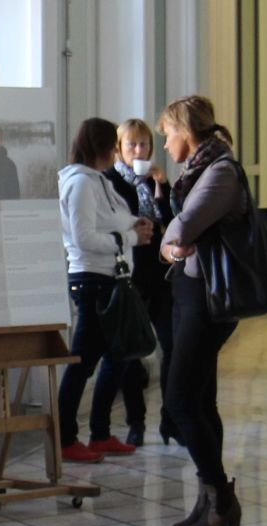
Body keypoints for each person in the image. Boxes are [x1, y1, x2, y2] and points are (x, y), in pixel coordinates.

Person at [158, 95, 245, 526]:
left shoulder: (220, 171)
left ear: (187, 132)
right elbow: (174, 238)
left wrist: (170, 244)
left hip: (208, 300)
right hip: (191, 291)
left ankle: (222, 500)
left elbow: (181, 228)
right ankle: (209, 501)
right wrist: (172, 246)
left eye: (168, 134)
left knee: (178, 399)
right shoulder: (198, 170)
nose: (164, 144)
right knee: (200, 399)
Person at [57, 117, 154, 463]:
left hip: (109, 278)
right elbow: (83, 237)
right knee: (83, 362)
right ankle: (65, 437)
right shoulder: (81, 183)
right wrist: (130, 237)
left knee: (117, 357)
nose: (117, 153)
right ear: (101, 148)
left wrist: (134, 224)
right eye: (113, 146)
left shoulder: (96, 180)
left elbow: (111, 218)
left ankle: (100, 433)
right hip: (92, 280)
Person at [103, 119, 181, 447]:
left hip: (160, 274)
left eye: (144, 144)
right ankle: (135, 421)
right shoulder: (110, 182)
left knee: (172, 346)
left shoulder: (154, 179)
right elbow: (119, 222)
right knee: (131, 352)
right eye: (132, 144)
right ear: (119, 148)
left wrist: (162, 185)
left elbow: (171, 221)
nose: (139, 151)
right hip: (128, 276)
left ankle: (171, 419)